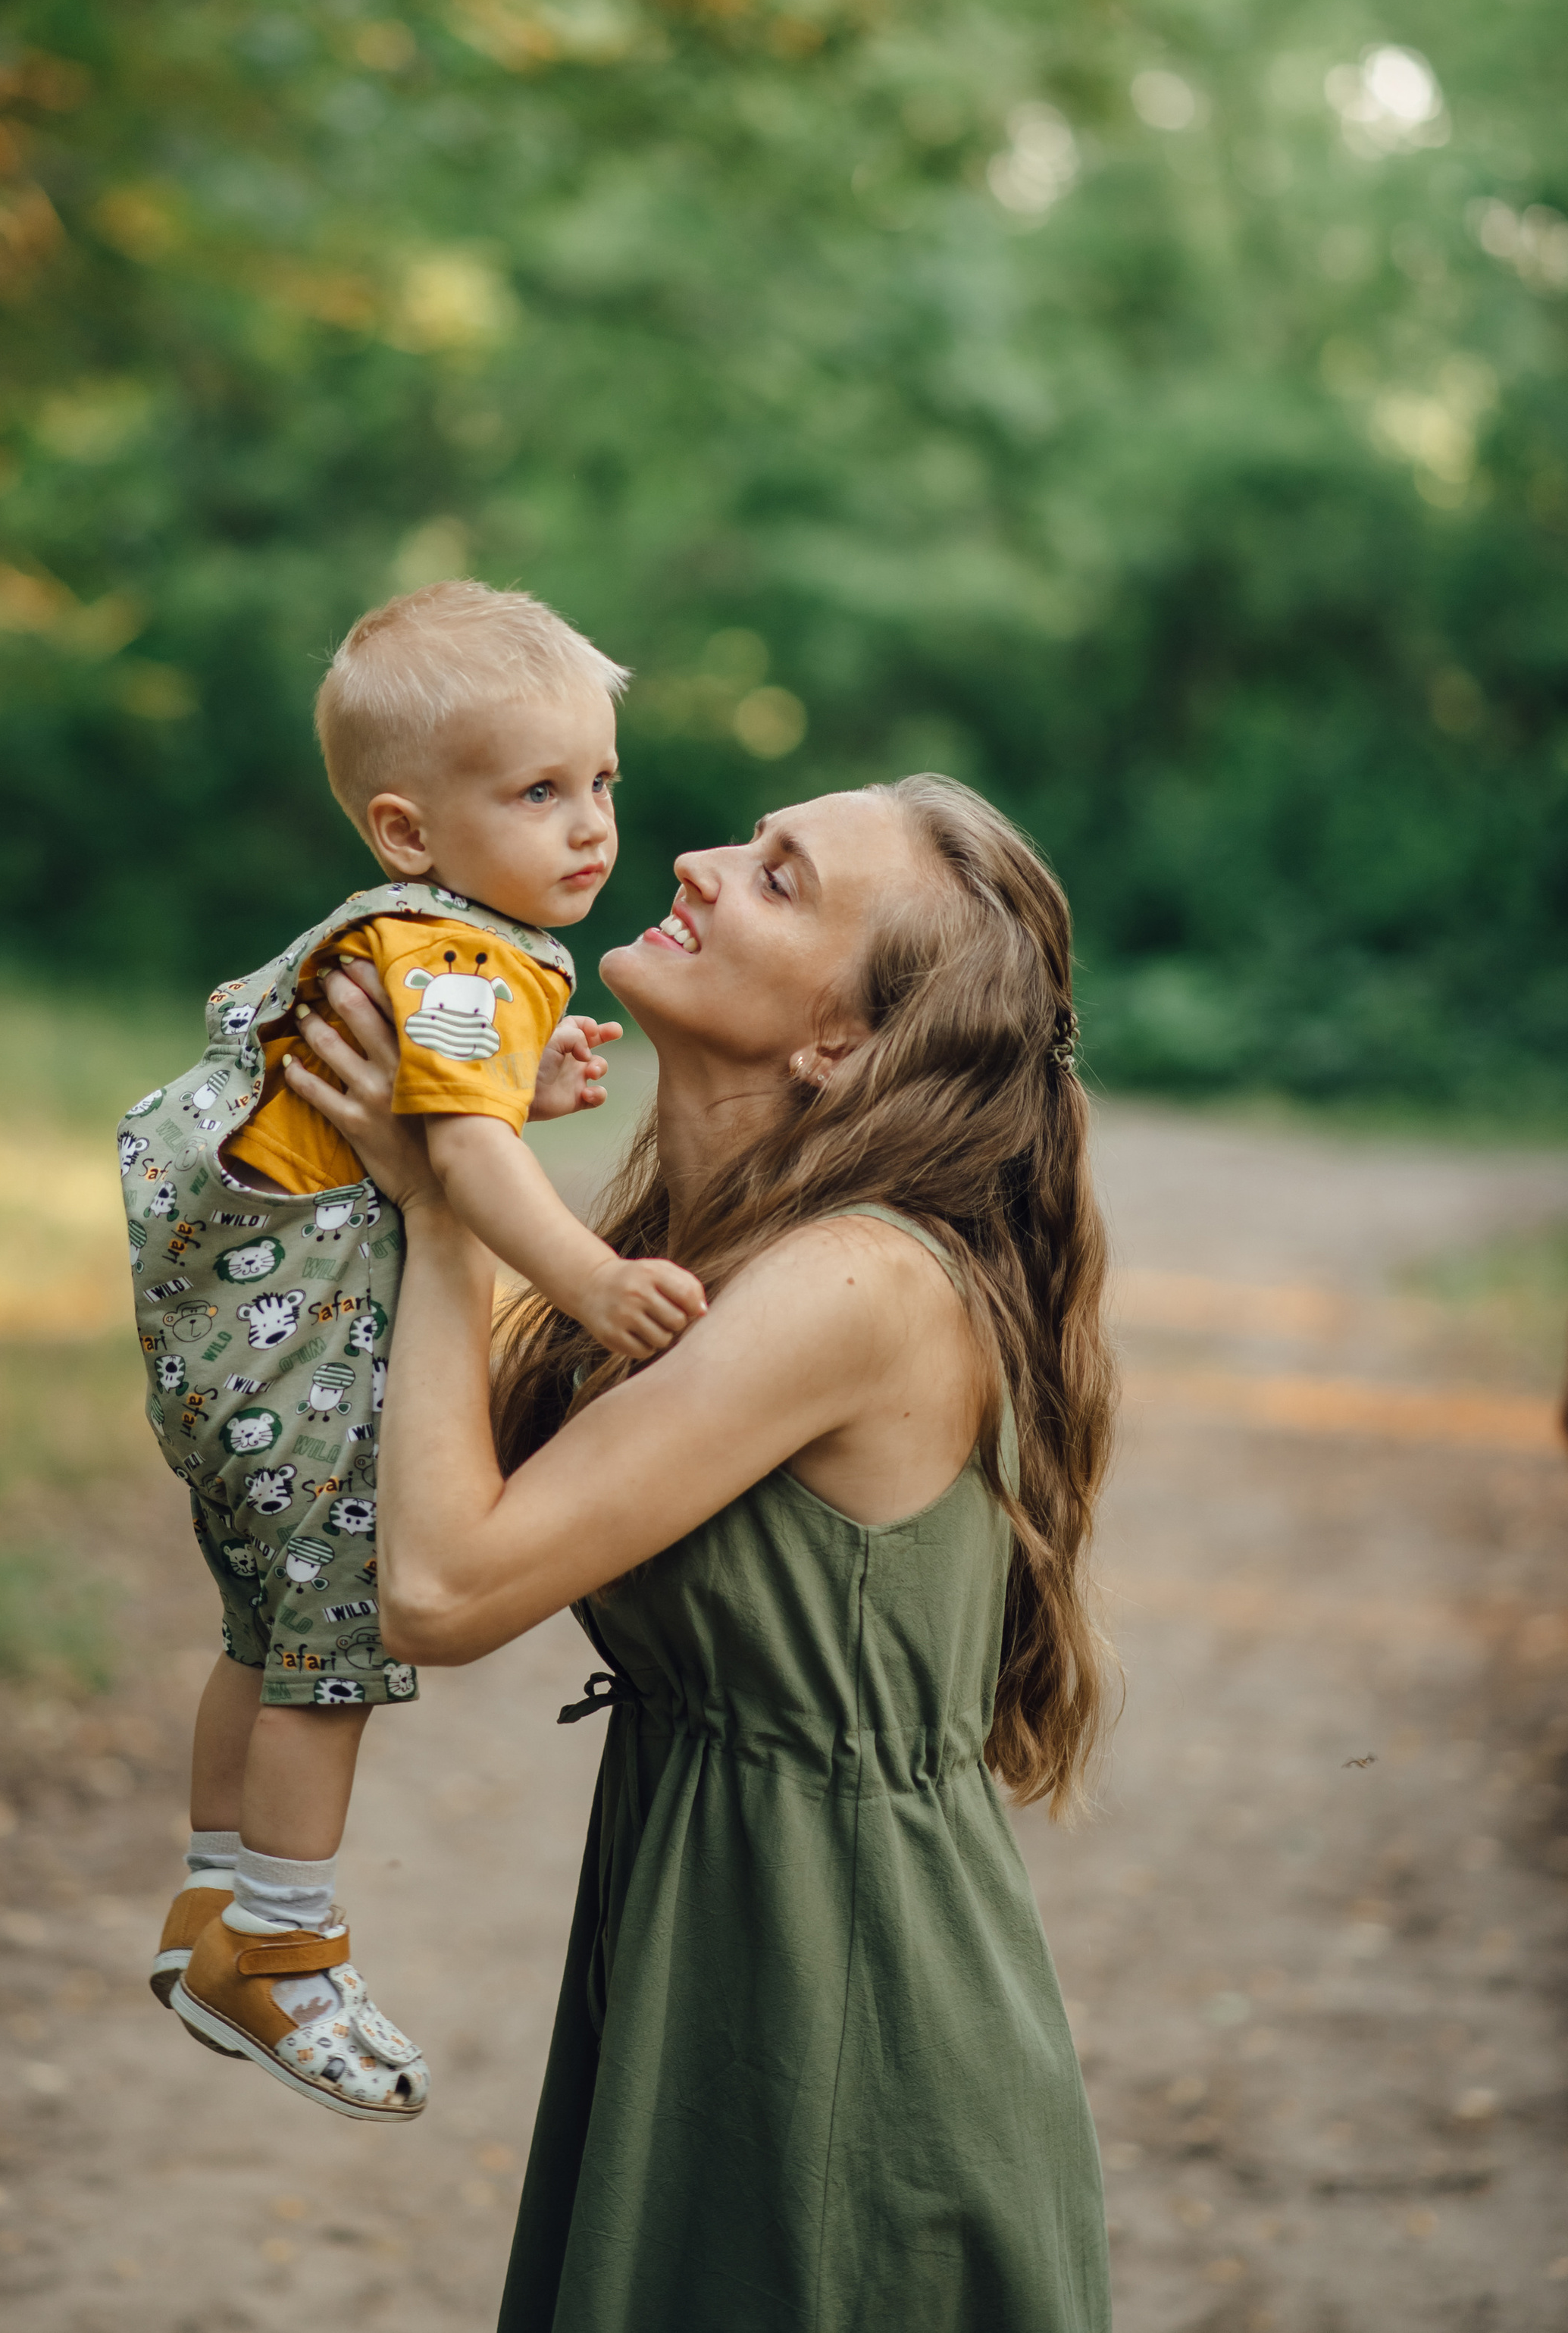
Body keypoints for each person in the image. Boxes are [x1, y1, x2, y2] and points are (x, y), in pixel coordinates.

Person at [282, 772, 1117, 2325]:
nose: (700, 862)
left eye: (782, 880)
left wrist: (444, 1197)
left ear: (841, 1043)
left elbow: (443, 1587)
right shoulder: (703, 1243)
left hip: (842, 2026)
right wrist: (457, 1164)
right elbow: (411, 1483)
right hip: (723, 1965)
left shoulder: (851, 1285)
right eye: (753, 841)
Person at [123, 581, 706, 2120]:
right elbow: (460, 1158)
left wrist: (518, 1096)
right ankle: (284, 1948)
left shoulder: (425, 944)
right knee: (329, 1649)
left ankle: (208, 1906)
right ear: (405, 830)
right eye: (536, 793)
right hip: (298, 1350)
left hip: (228, 1355)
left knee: (262, 1628)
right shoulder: (461, 960)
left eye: (599, 786)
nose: (588, 825)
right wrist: (584, 1278)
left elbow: (451, 1124)